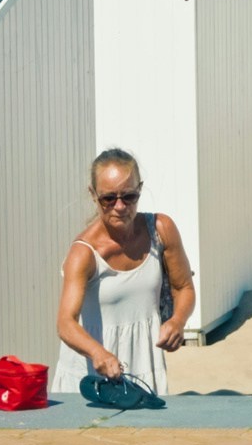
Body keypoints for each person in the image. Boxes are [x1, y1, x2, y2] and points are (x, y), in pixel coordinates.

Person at [55, 149, 193, 407]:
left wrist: (177, 321)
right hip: (92, 376)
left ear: (139, 190)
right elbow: (65, 323)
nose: (120, 207)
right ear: (93, 195)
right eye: (108, 199)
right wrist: (97, 353)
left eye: (129, 196)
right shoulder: (83, 253)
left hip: (143, 368)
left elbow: (183, 287)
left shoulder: (161, 230)